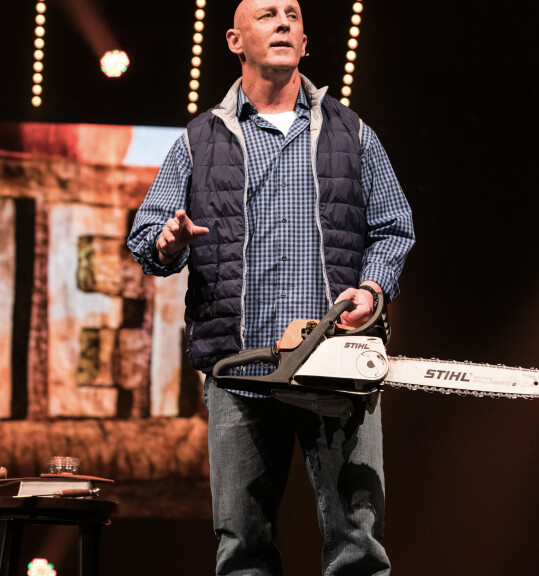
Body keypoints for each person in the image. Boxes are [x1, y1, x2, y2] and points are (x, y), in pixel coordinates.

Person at [126, 1, 414, 574]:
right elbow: (145, 237)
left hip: (337, 366)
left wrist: (372, 288)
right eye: (267, 15)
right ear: (235, 40)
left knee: (358, 548)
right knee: (243, 551)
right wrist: (169, 241)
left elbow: (393, 227)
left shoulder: (352, 132)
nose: (282, 22)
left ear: (305, 41)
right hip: (241, 370)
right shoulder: (199, 139)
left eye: (292, 15)